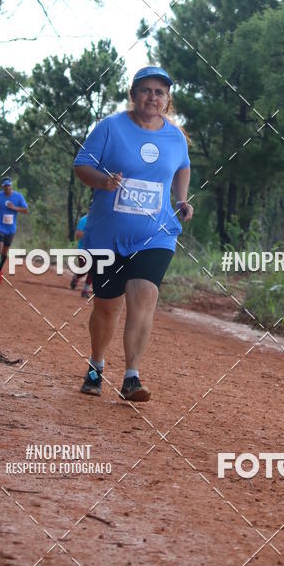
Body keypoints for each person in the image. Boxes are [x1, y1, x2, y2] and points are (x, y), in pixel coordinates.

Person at [74, 65, 193, 402]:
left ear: (167, 99)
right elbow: (81, 165)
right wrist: (102, 181)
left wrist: (181, 199)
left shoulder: (174, 137)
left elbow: (183, 166)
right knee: (107, 307)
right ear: (133, 95)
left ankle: (132, 377)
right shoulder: (110, 128)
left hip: (156, 234)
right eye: (146, 90)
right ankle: (96, 366)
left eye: (159, 92)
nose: (152, 97)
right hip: (108, 235)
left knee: (144, 295)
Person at [0, 178, 29, 281]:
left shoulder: (18, 196)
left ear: (11, 186)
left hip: (11, 229)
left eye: (9, 186)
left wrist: (14, 208)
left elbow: (26, 210)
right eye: (6, 186)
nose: (8, 188)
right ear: (3, 187)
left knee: (5, 252)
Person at [70, 211, 92, 297]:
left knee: (94, 270)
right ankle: (76, 277)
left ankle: (85, 290)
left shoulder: (100, 220)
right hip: (83, 249)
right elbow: (78, 234)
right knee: (84, 269)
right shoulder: (84, 220)